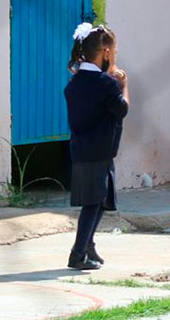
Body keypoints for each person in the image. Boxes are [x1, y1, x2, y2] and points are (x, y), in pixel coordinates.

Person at [64, 22, 128, 270]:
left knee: (99, 199)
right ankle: (77, 254)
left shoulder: (76, 82)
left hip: (83, 149)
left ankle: (88, 244)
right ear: (106, 53)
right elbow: (122, 110)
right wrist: (123, 85)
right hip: (99, 151)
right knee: (93, 203)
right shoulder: (106, 84)